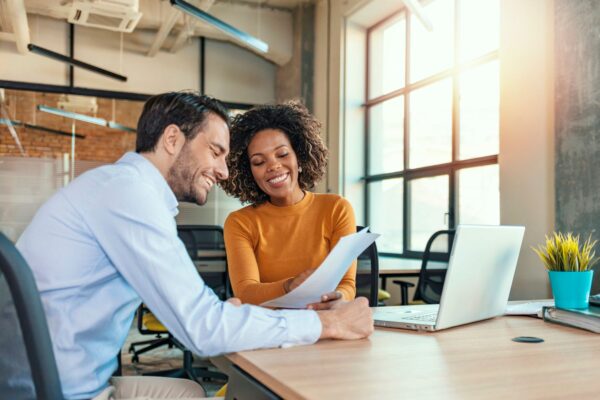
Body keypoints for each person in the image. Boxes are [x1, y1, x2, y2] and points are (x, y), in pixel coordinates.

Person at [15, 92, 373, 400]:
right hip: (57, 390)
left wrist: (225, 316)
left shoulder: (123, 189)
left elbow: (200, 315)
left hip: (64, 378)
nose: (224, 171)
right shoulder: (127, 194)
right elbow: (202, 329)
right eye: (216, 152)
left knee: (191, 392)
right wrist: (325, 325)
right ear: (172, 140)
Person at [221, 101, 357, 310]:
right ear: (249, 173)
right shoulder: (240, 222)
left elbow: (346, 284)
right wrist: (289, 286)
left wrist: (339, 298)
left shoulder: (336, 209)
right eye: (259, 162)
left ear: (300, 157)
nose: (273, 166)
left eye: (282, 154)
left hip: (324, 321)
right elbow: (246, 293)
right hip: (269, 328)